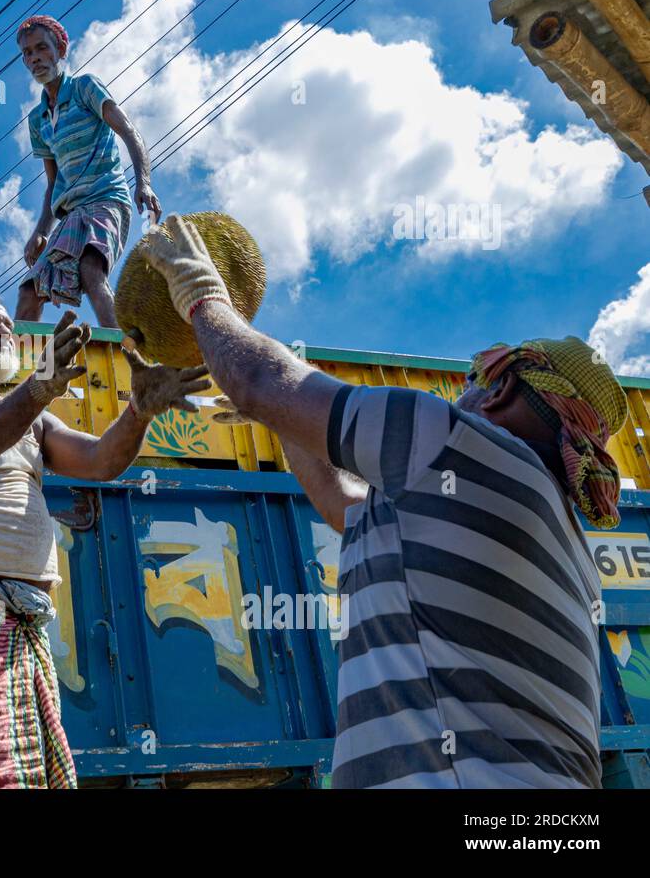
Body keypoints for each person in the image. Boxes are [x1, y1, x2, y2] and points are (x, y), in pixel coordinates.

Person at [137, 214, 629, 789]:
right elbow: (341, 501)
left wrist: (200, 292)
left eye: (473, 377)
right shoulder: (554, 528)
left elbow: (259, 379)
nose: (460, 390)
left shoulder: (457, 440)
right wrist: (283, 418)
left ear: (502, 387)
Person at [0, 290, 210, 788]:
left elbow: (101, 461)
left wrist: (139, 413)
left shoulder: (34, 420)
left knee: (29, 771)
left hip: (24, 622)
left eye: (9, 325)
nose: (5, 331)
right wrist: (38, 388)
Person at [15, 15, 162, 327]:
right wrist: (41, 230)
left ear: (60, 50)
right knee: (30, 290)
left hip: (106, 199)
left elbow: (128, 131)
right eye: (27, 53)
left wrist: (144, 182)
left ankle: (126, 357)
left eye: (42, 48)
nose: (35, 58)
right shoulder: (38, 120)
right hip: (72, 213)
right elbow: (53, 182)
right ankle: (20, 372)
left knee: (90, 268)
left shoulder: (85, 88)